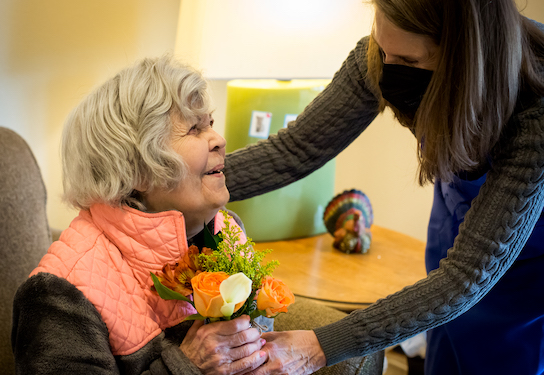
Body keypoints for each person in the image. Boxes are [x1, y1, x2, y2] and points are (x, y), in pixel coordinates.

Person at [224, 0, 544, 374]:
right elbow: (295, 150)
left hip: (525, 273)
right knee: (445, 348)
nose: (390, 71)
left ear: (464, 61)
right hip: (454, 234)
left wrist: (322, 345)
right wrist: (184, 182)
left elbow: (465, 277)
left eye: (409, 63)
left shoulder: (534, 117)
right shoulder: (381, 55)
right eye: (382, 46)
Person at [10, 55, 270, 374]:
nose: (219, 140)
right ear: (137, 171)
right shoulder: (58, 295)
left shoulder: (225, 229)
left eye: (211, 124)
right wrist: (185, 366)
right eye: (194, 129)